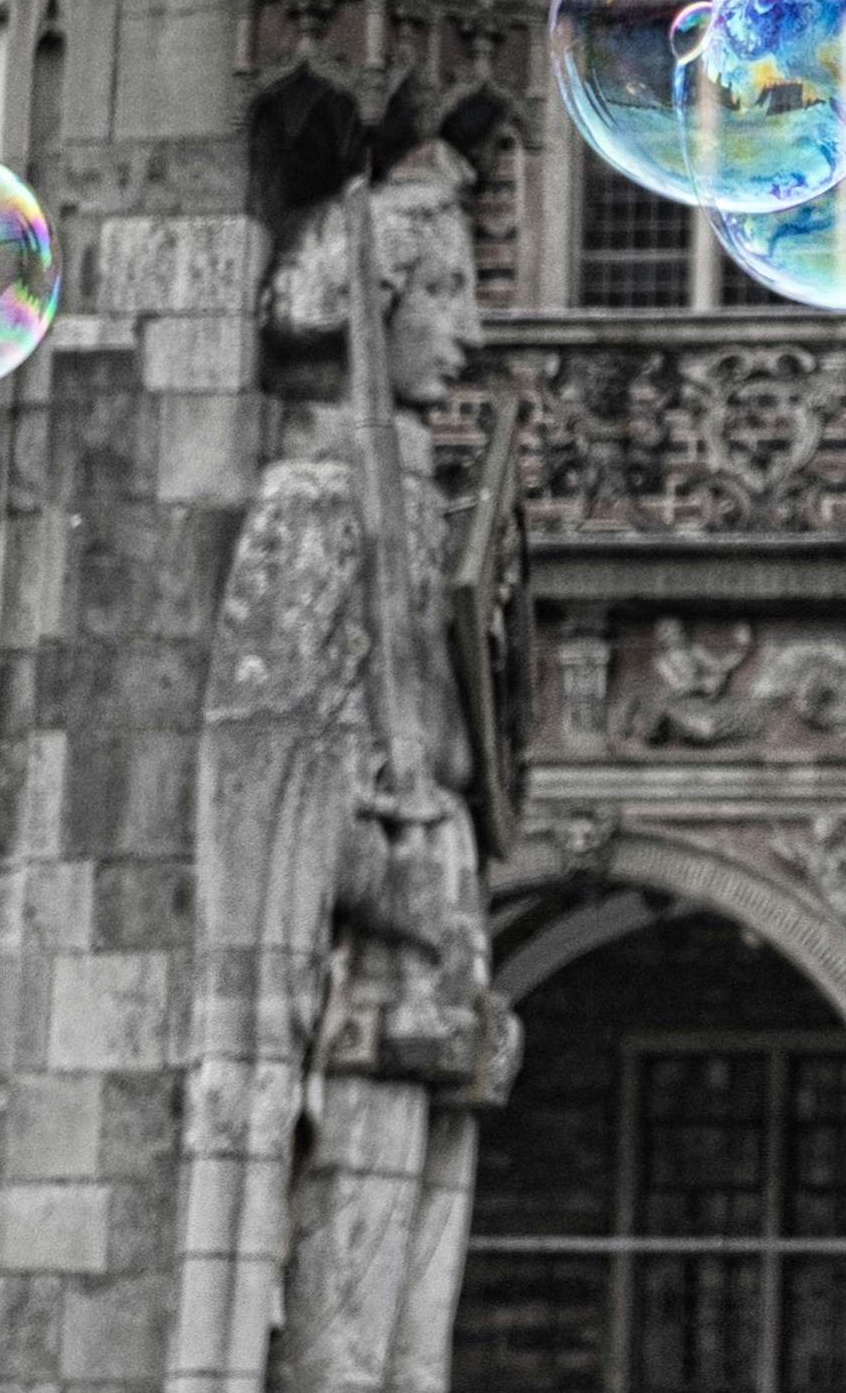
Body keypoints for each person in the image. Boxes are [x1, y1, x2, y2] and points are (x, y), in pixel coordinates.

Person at [174, 152, 512, 1393]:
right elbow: (263, 769)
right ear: (372, 309)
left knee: (407, 1352)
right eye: (444, 292)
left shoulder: (412, 504)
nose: (470, 331)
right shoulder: (321, 500)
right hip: (359, 997)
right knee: (345, 1346)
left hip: (428, 986)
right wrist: (393, 884)